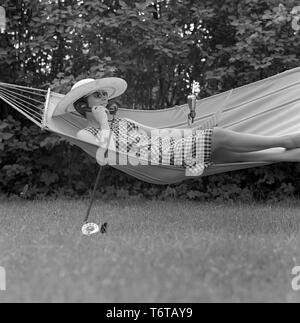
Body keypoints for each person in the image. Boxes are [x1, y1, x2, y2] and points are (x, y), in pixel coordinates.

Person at [57, 78, 300, 177]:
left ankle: (287, 152)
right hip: (156, 160)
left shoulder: (122, 121)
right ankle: (286, 141)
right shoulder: (85, 133)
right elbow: (104, 155)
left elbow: (159, 133)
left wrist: (192, 132)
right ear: (82, 105)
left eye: (103, 94)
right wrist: (102, 123)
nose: (104, 98)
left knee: (227, 152)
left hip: (170, 148)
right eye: (97, 95)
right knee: (217, 136)